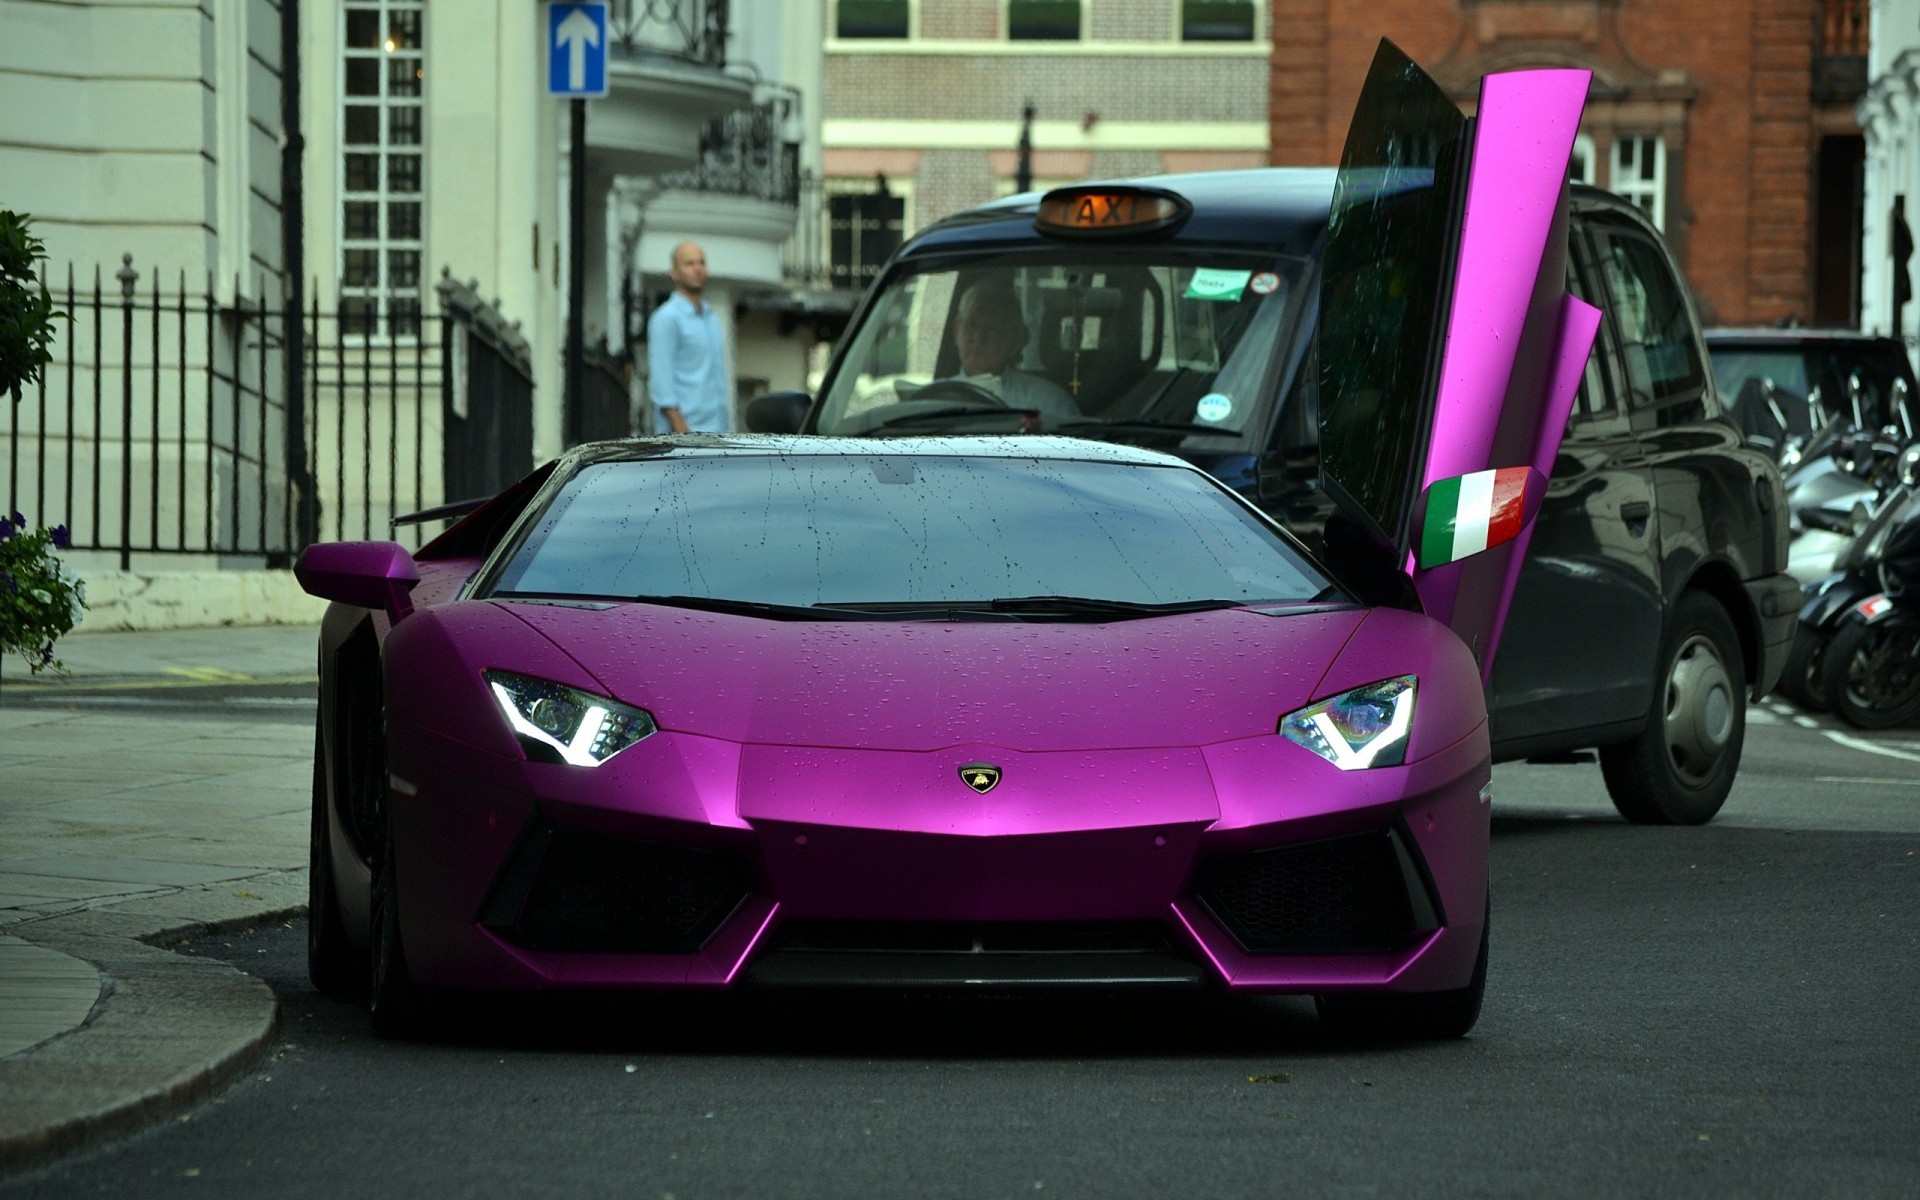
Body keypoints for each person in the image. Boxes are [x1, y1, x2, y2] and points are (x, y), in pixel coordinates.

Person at [949, 282, 1079, 425]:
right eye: (971, 325)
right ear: (956, 331)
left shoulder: (1047, 403)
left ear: (1016, 340)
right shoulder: (932, 397)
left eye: (992, 328)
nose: (979, 337)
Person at [647, 241, 730, 433]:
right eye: (689, 264)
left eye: (701, 263)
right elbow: (661, 381)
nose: (697, 269)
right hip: (684, 436)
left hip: (717, 431)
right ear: (674, 272)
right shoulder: (666, 317)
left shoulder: (711, 317)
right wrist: (681, 429)